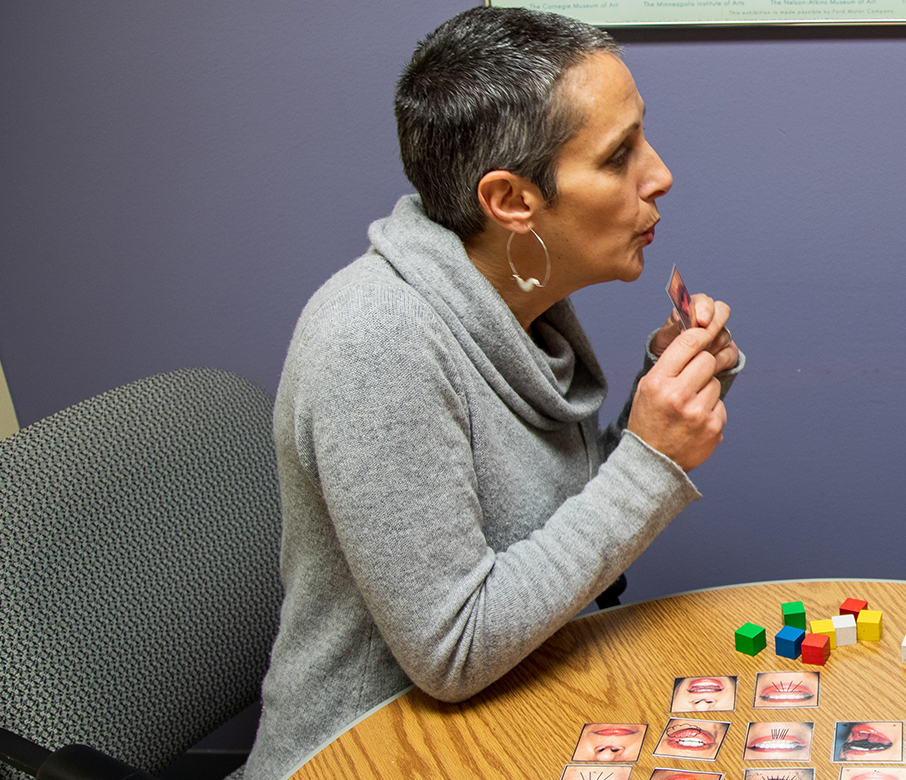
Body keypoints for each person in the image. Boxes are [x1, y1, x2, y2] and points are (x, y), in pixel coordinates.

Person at [244, 8, 740, 777]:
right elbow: (454, 648)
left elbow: (552, 548)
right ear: (512, 201)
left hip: (505, 722)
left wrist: (662, 398)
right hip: (367, 754)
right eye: (618, 156)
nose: (660, 174)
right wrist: (648, 461)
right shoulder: (375, 338)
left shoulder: (518, 305)